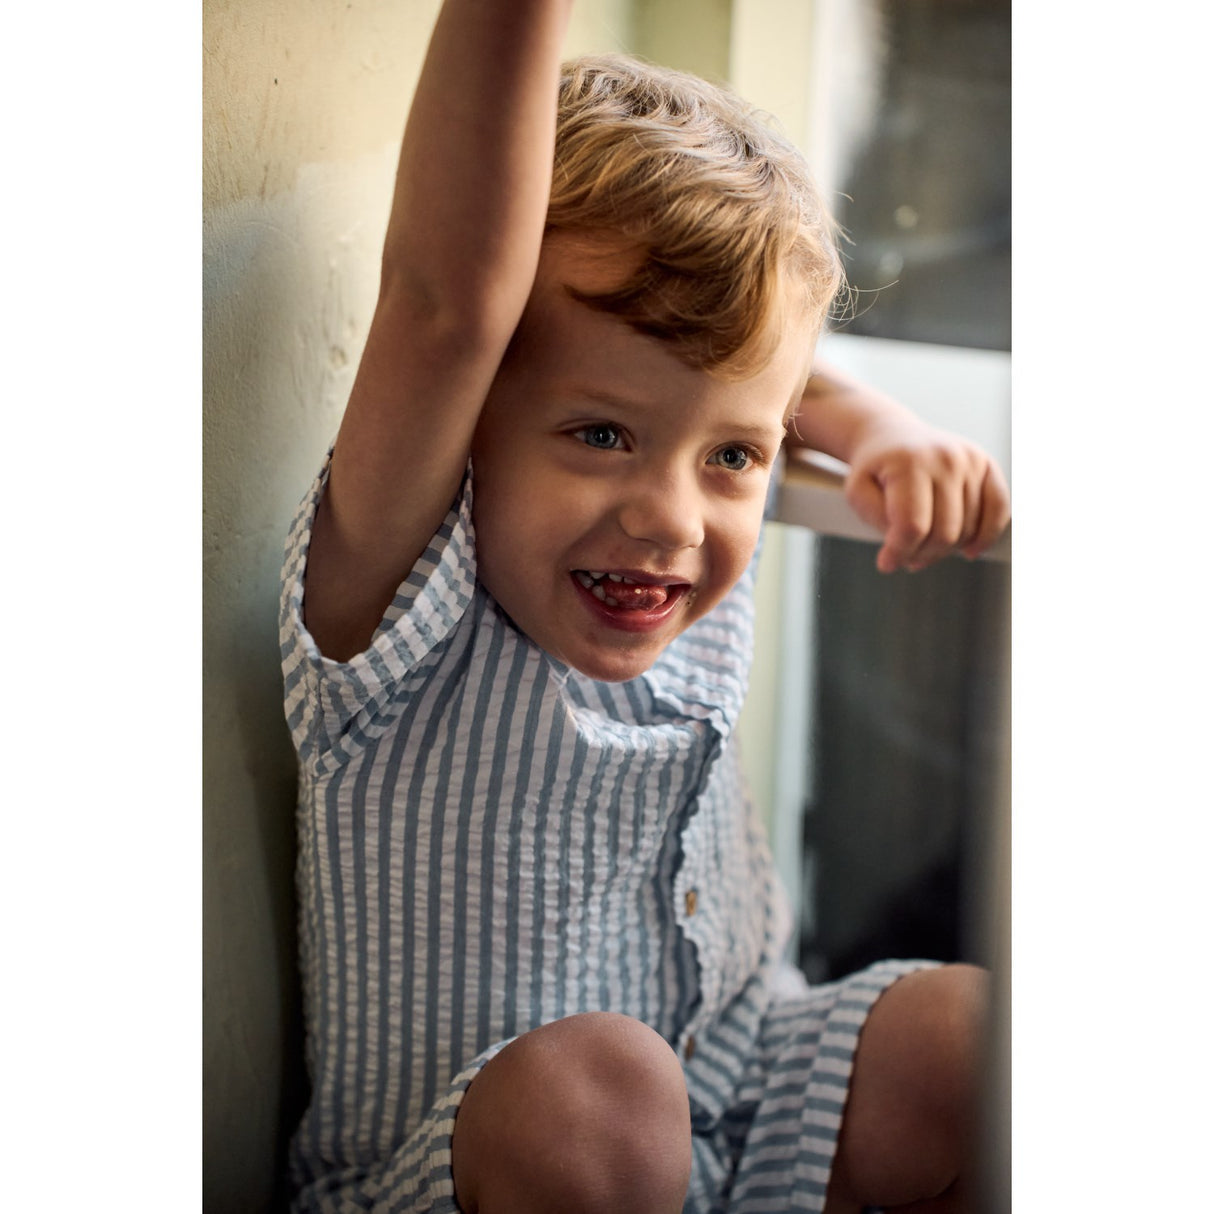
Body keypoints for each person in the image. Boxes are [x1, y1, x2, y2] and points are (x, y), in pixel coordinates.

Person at [279, 2, 1011, 1211]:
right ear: (472, 416)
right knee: (605, 1092)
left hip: (740, 1091)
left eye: (735, 457)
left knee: (968, 1040)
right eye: (601, 433)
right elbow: (447, 300)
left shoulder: (678, 534)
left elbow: (739, 364)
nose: (673, 515)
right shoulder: (400, 608)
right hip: (495, 1163)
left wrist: (870, 424)